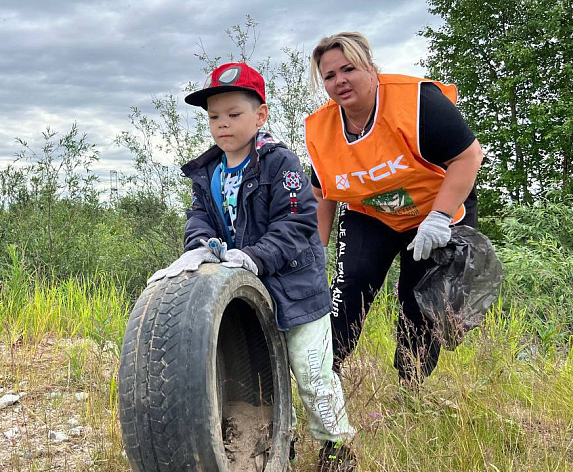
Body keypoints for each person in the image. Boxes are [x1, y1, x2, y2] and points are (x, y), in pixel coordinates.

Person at [149, 62, 357, 472]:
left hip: (297, 289)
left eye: (233, 114)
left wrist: (254, 256)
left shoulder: (279, 163)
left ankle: (337, 448)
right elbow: (200, 217)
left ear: (260, 115)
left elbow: (297, 224)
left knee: (312, 375)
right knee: (266, 377)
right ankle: (283, 445)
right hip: (248, 293)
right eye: (213, 116)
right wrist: (201, 246)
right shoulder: (208, 172)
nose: (222, 124)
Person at [302, 32, 484, 389]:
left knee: (421, 301)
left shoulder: (417, 102)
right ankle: (326, 378)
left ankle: (411, 384)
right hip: (371, 214)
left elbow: (468, 156)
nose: (340, 81)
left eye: (348, 69)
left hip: (436, 212)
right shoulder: (323, 129)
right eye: (329, 76)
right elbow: (321, 193)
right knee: (349, 286)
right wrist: (311, 249)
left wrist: (440, 218)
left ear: (370, 67)